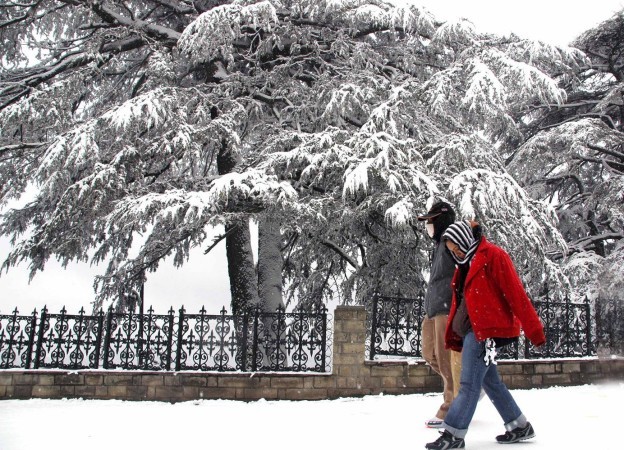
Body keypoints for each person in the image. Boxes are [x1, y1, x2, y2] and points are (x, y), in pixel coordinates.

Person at [425, 220, 546, 450]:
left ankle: (453, 434)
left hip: (486, 331)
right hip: (473, 329)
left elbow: (516, 294)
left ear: (465, 240)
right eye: (452, 251)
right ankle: (519, 426)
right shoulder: (465, 264)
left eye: (457, 248)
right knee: (490, 382)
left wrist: (535, 331)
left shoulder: (493, 256)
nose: (456, 254)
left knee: (469, 384)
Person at [416, 201, 461, 428]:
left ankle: (450, 409)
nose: (428, 226)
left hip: (446, 307)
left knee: (445, 362)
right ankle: (463, 388)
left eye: (430, 221)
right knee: (429, 354)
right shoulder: (438, 246)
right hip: (433, 309)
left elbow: (465, 265)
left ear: (441, 220)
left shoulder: (451, 241)